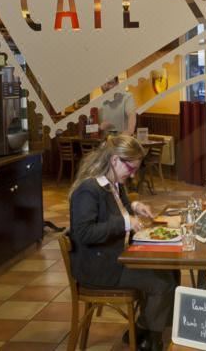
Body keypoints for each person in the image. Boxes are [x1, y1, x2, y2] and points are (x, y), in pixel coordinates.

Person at [69, 134, 175, 351]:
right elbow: (84, 232)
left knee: (169, 269)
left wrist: (134, 207)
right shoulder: (88, 190)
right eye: (131, 168)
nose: (133, 174)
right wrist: (125, 222)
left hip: (114, 256)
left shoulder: (113, 183)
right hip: (99, 267)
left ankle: (142, 328)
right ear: (115, 160)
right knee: (162, 284)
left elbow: (121, 209)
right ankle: (152, 342)